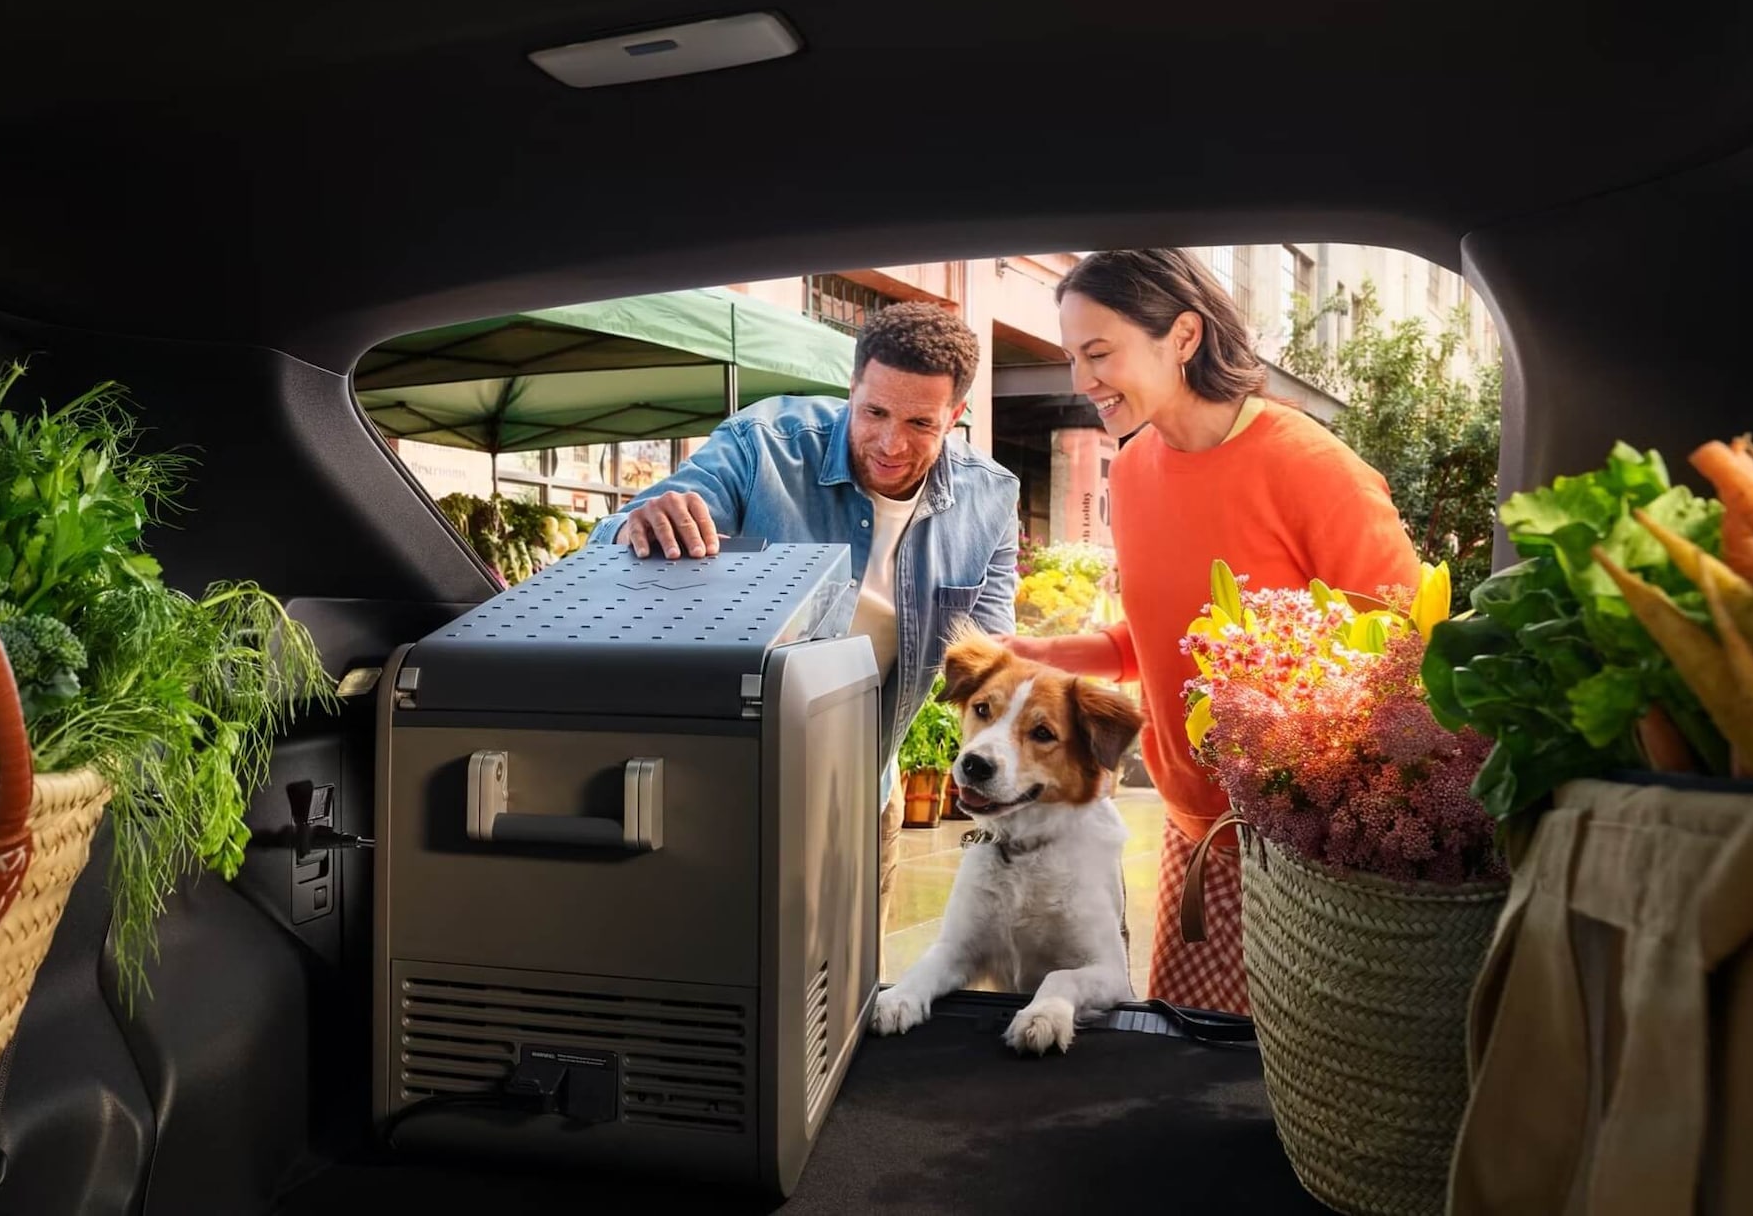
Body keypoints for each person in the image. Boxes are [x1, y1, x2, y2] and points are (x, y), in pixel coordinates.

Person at [1004, 249, 1418, 1014]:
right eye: (1072, 357)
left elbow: (1404, 657)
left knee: (1294, 1073)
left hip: (1312, 856)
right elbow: (1161, 636)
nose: (1081, 379)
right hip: (1195, 832)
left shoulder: (1312, 467)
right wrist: (1036, 655)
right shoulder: (1133, 472)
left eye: (1099, 353)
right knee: (1187, 1060)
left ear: (1184, 337)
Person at [591, 302, 1019, 929]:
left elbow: (995, 665)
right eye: (874, 412)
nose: (891, 443)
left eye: (920, 423)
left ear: (955, 417)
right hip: (724, 788)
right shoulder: (763, 445)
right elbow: (616, 544)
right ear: (852, 388)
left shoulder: (991, 499)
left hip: (864, 792)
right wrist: (642, 522)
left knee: (851, 975)